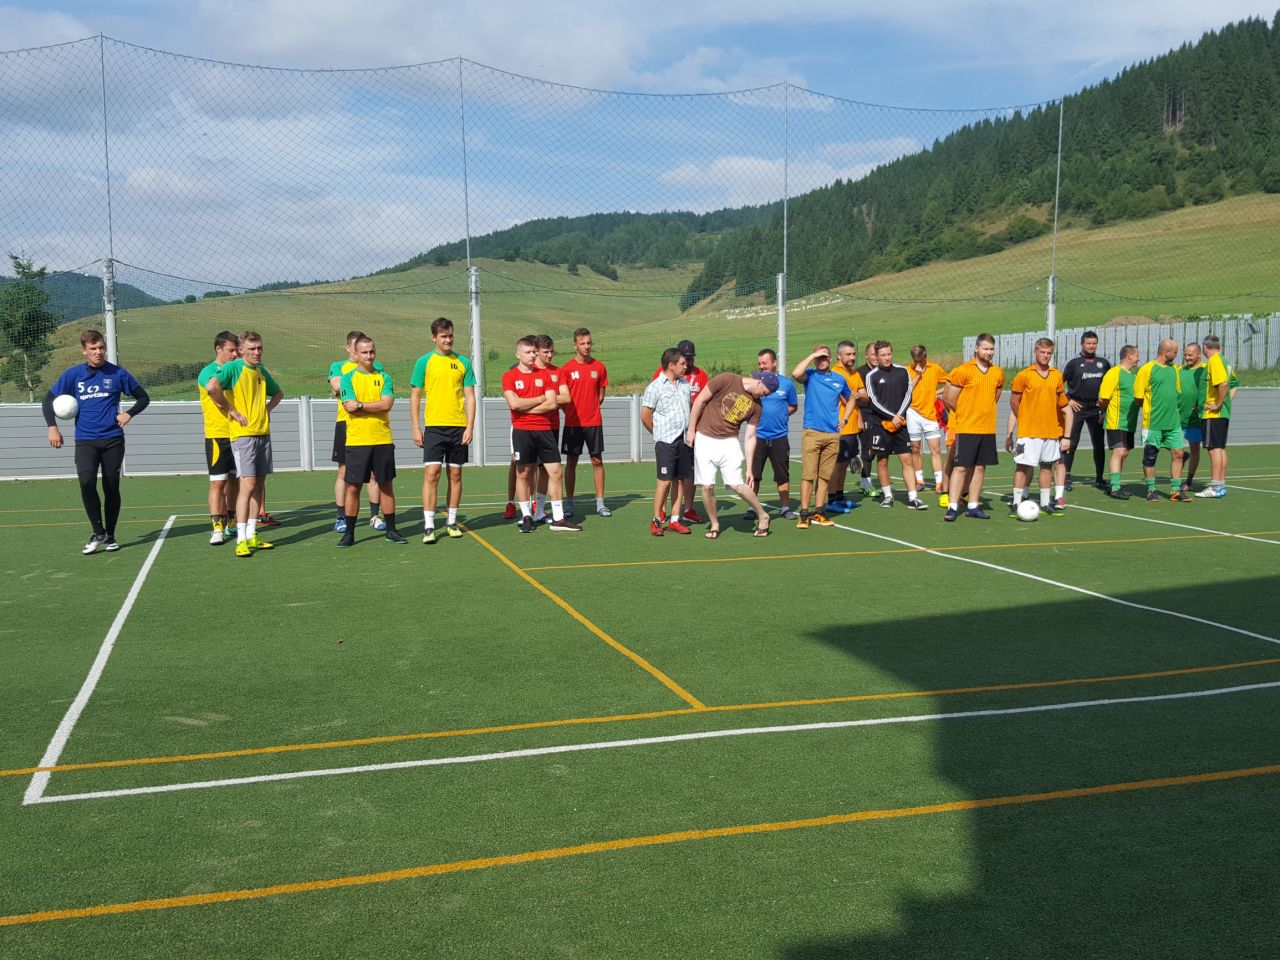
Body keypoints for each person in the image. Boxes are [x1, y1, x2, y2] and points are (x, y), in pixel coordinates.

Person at [44, 329, 150, 554]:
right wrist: (52, 427)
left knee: (111, 487)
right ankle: (97, 531)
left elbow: (143, 397)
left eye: (101, 347)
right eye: (93, 348)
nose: (98, 352)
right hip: (85, 440)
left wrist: (129, 413)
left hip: (112, 440)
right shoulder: (73, 375)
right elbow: (48, 400)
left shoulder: (118, 374)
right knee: (86, 482)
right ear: (84, 351)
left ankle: (110, 535)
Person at [206, 331, 283, 556]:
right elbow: (211, 387)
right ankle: (240, 539)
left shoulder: (260, 371)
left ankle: (252, 535)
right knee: (246, 486)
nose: (257, 352)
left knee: (258, 485)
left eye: (259, 348)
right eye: (252, 349)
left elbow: (278, 393)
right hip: (244, 436)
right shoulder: (233, 368)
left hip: (263, 434)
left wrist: (266, 410)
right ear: (241, 350)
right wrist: (232, 411)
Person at [501, 337, 580, 532]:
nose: (532, 355)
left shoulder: (545, 376)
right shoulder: (509, 376)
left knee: (556, 471)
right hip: (522, 430)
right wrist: (539, 399)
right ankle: (526, 516)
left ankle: (558, 518)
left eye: (533, 352)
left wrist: (525, 407)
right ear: (518, 354)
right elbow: (514, 404)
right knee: (523, 473)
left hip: (545, 429)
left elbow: (552, 403)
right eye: (528, 352)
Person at [410, 317, 476, 544]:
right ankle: (429, 526)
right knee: (432, 474)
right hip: (434, 427)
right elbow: (415, 396)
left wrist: (470, 426)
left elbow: (470, 397)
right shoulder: (424, 362)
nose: (448, 340)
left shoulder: (463, 362)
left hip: (458, 427)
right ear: (434, 337)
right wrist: (416, 427)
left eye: (451, 336)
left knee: (455, 475)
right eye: (443, 336)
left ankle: (451, 522)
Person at [686, 370, 775, 539]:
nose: (763, 396)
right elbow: (700, 400)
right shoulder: (726, 379)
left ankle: (763, 515)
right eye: (764, 392)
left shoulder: (757, 406)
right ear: (759, 382)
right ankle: (714, 524)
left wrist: (750, 468)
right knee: (707, 486)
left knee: (737, 485)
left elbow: (750, 437)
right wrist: (691, 430)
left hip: (729, 442)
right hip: (705, 438)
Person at [336, 336, 405, 545]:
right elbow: (349, 406)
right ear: (356, 354)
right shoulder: (348, 378)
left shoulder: (385, 377)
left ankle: (391, 530)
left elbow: (387, 404)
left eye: (372, 352)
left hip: (382, 440)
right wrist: (369, 406)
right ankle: (349, 534)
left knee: (386, 485)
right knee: (353, 487)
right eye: (364, 352)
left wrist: (360, 405)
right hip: (357, 441)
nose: (369, 356)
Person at [1006, 338, 1074, 517]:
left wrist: (1066, 435)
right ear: (1035, 352)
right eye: (1042, 352)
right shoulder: (1023, 375)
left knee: (1046, 467)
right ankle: (1016, 502)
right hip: (1029, 432)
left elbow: (1060, 403)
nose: (1045, 356)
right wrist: (1025, 420)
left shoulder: (1056, 375)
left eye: (1049, 353)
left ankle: (1045, 503)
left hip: (1050, 432)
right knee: (1022, 467)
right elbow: (1014, 402)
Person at [790, 345, 853, 528]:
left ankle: (819, 511)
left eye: (824, 357)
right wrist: (812, 356)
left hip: (832, 434)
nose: (821, 361)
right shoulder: (810, 376)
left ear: (831, 358)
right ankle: (804, 513)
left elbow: (851, 399)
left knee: (825, 476)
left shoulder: (839, 379)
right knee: (808, 475)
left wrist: (845, 418)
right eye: (818, 358)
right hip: (812, 433)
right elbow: (795, 373)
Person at [942, 334, 1004, 521]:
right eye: (985, 348)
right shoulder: (963, 371)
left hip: (987, 428)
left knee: (980, 467)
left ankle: (973, 505)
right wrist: (965, 413)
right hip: (967, 427)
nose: (989, 352)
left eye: (991, 349)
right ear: (976, 348)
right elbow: (949, 398)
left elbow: (995, 396)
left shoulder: (997, 373)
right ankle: (953, 507)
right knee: (961, 467)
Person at [329, 330, 384, 533]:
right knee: (344, 472)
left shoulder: (377, 368)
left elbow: (381, 397)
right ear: (348, 348)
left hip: (372, 425)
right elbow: (337, 387)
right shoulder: (338, 366)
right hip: (346, 424)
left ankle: (375, 516)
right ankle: (341, 517)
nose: (360, 353)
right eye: (355, 348)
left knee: (374, 474)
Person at [652, 339, 709, 524]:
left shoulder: (700, 376)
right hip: (669, 434)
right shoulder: (662, 376)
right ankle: (661, 511)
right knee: (667, 476)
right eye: (685, 359)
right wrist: (658, 431)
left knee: (688, 473)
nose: (688, 362)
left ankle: (687, 509)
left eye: (691, 358)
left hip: (692, 432)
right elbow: (652, 405)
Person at [864, 340, 926, 509]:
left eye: (889, 354)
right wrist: (891, 417)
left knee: (907, 459)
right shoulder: (871, 376)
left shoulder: (902, 371)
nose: (886, 358)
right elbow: (873, 401)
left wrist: (899, 416)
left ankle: (913, 497)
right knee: (882, 460)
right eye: (882, 355)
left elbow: (908, 395)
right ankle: (888, 496)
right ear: (876, 357)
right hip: (881, 426)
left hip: (901, 425)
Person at [640, 348, 694, 536]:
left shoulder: (685, 385)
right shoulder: (655, 387)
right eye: (682, 363)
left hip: (683, 441)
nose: (686, 366)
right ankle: (656, 520)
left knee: (680, 480)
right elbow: (645, 415)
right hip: (666, 442)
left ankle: (675, 520)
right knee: (664, 481)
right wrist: (658, 434)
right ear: (671, 365)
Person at [559, 327, 611, 518]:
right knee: (571, 462)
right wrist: (572, 413)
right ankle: (569, 504)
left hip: (594, 423)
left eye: (589, 343)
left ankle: (600, 503)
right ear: (575, 345)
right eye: (583, 343)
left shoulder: (600, 367)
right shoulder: (566, 369)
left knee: (597, 461)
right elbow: (562, 400)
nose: (587, 346)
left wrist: (591, 410)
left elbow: (601, 395)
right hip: (573, 424)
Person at [1132, 338, 1189, 503]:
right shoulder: (1147, 369)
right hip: (1153, 424)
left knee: (1178, 454)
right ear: (1166, 352)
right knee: (1150, 457)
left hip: (1173, 423)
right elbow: (1138, 397)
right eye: (1175, 352)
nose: (1177, 355)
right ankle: (1151, 490)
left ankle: (1176, 490)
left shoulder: (1174, 369)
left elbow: (1177, 392)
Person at [746, 348, 799, 522]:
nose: (761, 366)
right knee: (754, 474)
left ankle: (785, 507)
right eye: (759, 364)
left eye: (765, 363)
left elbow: (793, 406)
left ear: (774, 363)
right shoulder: (755, 384)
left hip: (779, 437)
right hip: (758, 437)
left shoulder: (787, 384)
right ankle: (751, 508)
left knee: (782, 475)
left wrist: (781, 415)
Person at [198, 331, 240, 545]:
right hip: (217, 436)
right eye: (231, 350)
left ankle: (232, 521)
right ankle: (217, 527)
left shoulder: (237, 370)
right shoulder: (208, 372)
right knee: (218, 482)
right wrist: (233, 411)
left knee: (235, 481)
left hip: (239, 435)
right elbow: (215, 395)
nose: (235, 354)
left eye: (237, 350)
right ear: (219, 349)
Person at [1060, 331, 1111, 490]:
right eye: (1088, 343)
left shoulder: (1104, 362)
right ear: (1082, 344)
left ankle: (1099, 478)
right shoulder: (1072, 362)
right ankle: (1066, 478)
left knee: (1099, 444)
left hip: (1096, 408)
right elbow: (1057, 385)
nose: (1091, 346)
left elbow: (1110, 386)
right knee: (1071, 443)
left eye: (1094, 343)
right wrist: (1069, 400)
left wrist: (1104, 408)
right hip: (1077, 408)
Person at [1196, 333, 1237, 499]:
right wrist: (1226, 403)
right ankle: (1220, 485)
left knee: (1213, 449)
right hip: (1221, 413)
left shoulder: (1214, 360)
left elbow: (1224, 384)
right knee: (1219, 448)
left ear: (1205, 348)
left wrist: (1217, 404)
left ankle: (1215, 487)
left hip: (1213, 414)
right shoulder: (1225, 361)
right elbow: (1234, 384)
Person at [1097, 344, 1141, 500]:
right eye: (1137, 356)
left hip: (1129, 422)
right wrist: (1104, 412)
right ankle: (1115, 488)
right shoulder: (1114, 373)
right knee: (1119, 451)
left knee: (1125, 452)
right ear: (1129, 356)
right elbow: (1104, 398)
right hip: (1116, 421)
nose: (1138, 359)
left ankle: (1116, 484)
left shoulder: (1132, 376)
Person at [825, 340, 864, 513]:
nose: (852, 357)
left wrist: (858, 400)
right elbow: (847, 399)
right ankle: (831, 499)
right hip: (840, 426)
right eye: (848, 354)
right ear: (839, 355)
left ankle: (840, 497)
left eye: (853, 354)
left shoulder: (855, 373)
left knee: (844, 464)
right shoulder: (835, 373)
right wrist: (855, 397)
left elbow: (864, 396)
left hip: (852, 426)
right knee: (835, 465)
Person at [906, 344, 948, 499]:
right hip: (912, 413)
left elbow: (949, 382)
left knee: (935, 449)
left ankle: (939, 482)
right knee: (915, 449)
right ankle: (919, 480)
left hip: (930, 415)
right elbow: (906, 390)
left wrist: (936, 392)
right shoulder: (907, 370)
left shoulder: (935, 369)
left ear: (925, 356)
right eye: (915, 360)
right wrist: (917, 374)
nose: (918, 363)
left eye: (921, 360)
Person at [1178, 341, 1207, 490]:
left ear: (1199, 354)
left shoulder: (1206, 369)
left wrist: (1206, 405)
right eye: (1185, 355)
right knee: (1165, 444)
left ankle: (1188, 481)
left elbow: (1231, 384)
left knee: (1194, 449)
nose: (1187, 358)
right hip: (1177, 417)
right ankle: (1183, 456)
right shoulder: (1179, 370)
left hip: (1195, 420)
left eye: (1190, 355)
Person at [854, 342, 878, 498]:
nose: (876, 357)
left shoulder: (882, 372)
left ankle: (865, 483)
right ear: (866, 356)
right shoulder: (860, 373)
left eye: (877, 354)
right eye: (873, 354)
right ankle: (866, 483)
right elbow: (855, 398)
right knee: (868, 449)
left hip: (879, 416)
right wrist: (859, 418)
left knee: (875, 449)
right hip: (865, 414)